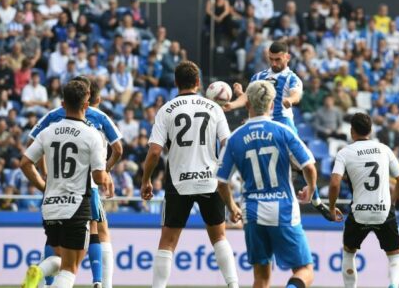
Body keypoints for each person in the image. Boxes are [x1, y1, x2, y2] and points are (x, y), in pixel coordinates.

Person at [140, 61, 239, 288]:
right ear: (198, 83)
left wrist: (146, 180)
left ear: (176, 83)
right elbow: (228, 143)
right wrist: (221, 171)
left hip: (178, 181)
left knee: (168, 241)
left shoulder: (166, 109)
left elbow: (154, 152)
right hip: (209, 180)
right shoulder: (214, 108)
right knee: (219, 237)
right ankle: (233, 285)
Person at [217, 80, 317, 288]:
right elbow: (308, 166)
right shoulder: (283, 131)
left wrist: (231, 206)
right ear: (272, 105)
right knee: (304, 270)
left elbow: (221, 182)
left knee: (261, 278)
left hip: (252, 212)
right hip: (283, 209)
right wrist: (311, 189)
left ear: (247, 105)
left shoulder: (235, 138)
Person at [28, 76, 123, 288]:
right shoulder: (95, 121)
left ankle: (44, 280)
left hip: (54, 191)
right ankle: (100, 283)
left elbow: (28, 152)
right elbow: (118, 149)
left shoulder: (52, 118)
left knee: (56, 245)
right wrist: (105, 172)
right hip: (85, 188)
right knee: (96, 231)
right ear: (88, 101)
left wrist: (46, 176)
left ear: (64, 101)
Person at [224, 41, 330, 219]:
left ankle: (317, 200)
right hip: (259, 121)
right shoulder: (258, 76)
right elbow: (247, 96)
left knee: (303, 163)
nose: (273, 63)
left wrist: (290, 100)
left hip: (282, 124)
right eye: (271, 59)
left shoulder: (292, 78)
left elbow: (296, 94)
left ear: (287, 57)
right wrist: (232, 105)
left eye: (277, 59)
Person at [328, 113, 399, 288]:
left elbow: (334, 183)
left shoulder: (344, 152)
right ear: (371, 130)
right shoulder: (385, 149)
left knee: (349, 254)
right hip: (384, 211)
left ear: (352, 131)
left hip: (359, 213)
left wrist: (332, 207)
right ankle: (393, 284)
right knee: (395, 257)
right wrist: (392, 201)